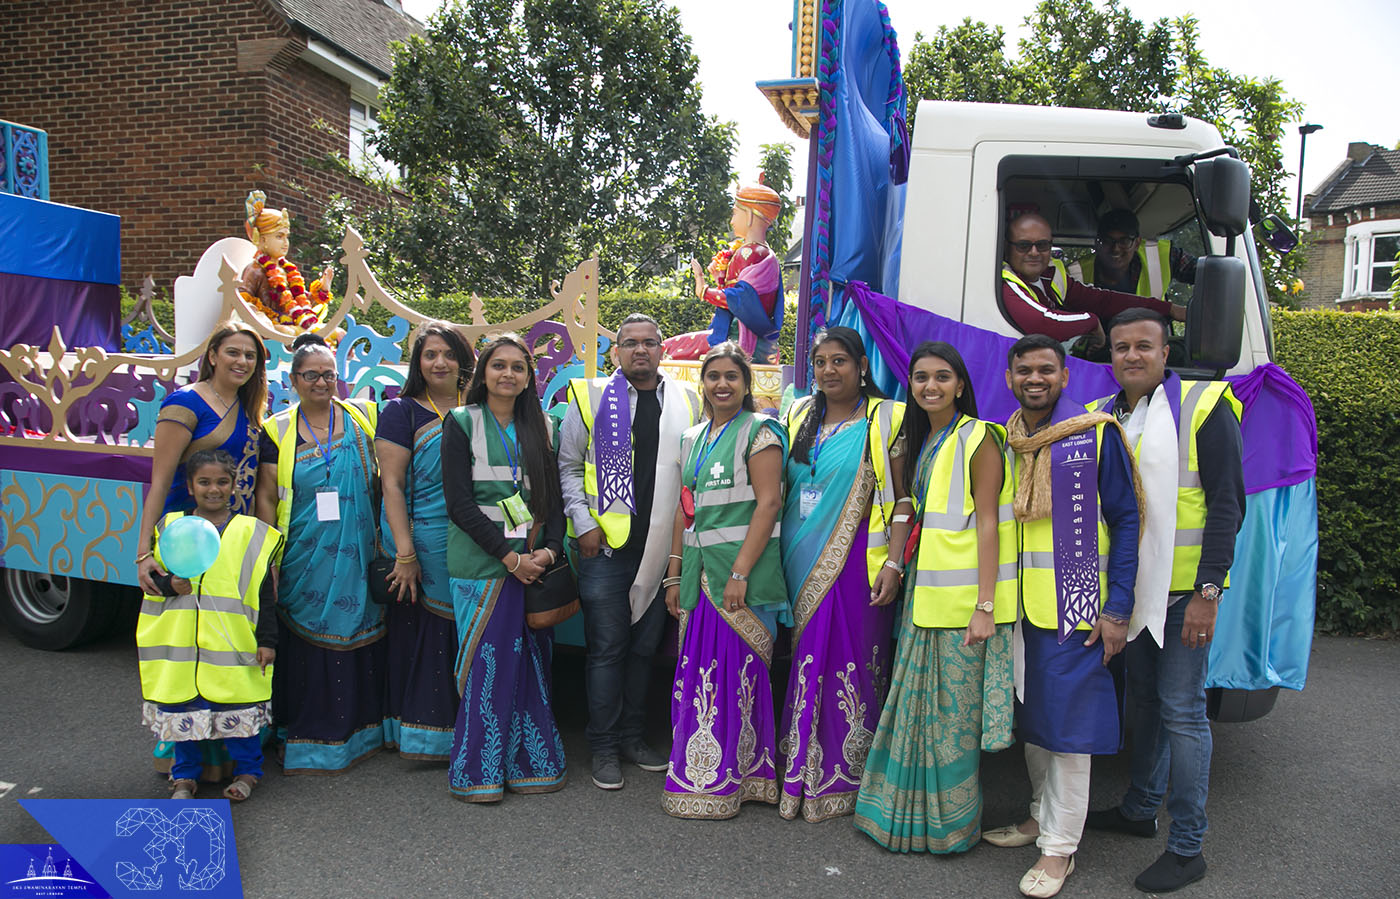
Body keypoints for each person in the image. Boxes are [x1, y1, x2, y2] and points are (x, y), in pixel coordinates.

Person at [1084, 308, 1245, 894]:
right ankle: (1139, 810)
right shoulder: (1101, 417)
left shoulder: (1204, 405)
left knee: (1181, 710)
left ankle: (1187, 847)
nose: (1131, 355)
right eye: (1121, 347)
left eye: (1143, 346)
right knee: (1145, 703)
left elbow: (1227, 504)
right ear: (1111, 356)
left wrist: (1208, 592)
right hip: (1132, 591)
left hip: (1181, 593)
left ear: (1164, 351)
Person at [981, 334, 1142, 899]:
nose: (1035, 378)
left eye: (1046, 370)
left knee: (1069, 735)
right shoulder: (1005, 440)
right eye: (1024, 370)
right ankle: (1037, 818)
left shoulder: (1097, 435)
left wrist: (1118, 607)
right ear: (1009, 378)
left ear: (1065, 376)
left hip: (1077, 612)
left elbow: (1126, 521)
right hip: (1018, 611)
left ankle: (1059, 850)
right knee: (1036, 726)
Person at [854, 341, 1018, 852]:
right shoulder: (923, 440)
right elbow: (910, 510)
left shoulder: (979, 439)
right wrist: (895, 565)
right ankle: (904, 820)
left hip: (963, 606)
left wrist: (985, 606)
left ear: (961, 385)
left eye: (942, 377)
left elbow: (990, 523)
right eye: (921, 377)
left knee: (950, 725)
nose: (931, 386)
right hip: (923, 599)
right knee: (917, 714)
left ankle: (949, 828)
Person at [558, 313, 700, 790]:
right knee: (607, 650)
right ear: (614, 351)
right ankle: (602, 747)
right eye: (630, 343)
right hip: (607, 549)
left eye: (650, 343)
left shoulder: (685, 399)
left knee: (643, 650)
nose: (641, 350)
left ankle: (633, 738)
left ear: (662, 349)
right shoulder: (592, 397)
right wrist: (583, 524)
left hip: (659, 548)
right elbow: (569, 467)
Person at [777, 327, 908, 822]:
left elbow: (901, 502)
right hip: (797, 558)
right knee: (804, 659)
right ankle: (798, 768)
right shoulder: (795, 414)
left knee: (849, 660)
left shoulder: (886, 418)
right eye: (820, 362)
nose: (829, 371)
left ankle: (844, 772)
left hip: (858, 564)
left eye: (839, 361)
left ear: (861, 366)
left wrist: (893, 563)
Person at [661, 342, 789, 819]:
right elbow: (685, 508)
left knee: (737, 676)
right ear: (703, 382)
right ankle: (699, 770)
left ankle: (735, 779)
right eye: (713, 375)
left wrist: (740, 573)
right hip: (698, 578)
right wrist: (673, 574)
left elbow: (769, 503)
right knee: (701, 676)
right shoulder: (692, 437)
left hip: (741, 579)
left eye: (731, 376)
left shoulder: (761, 431)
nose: (721, 384)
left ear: (746, 382)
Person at [136, 320, 268, 781]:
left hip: (231, 539)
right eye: (233, 352)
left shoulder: (249, 406)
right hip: (183, 537)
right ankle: (181, 757)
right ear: (212, 355)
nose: (242, 362)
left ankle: (227, 755)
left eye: (250, 356)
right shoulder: (185, 404)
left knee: (224, 646)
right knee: (184, 647)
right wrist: (144, 553)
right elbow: (159, 480)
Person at [443, 333, 567, 802]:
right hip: (481, 565)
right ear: (482, 373)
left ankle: (533, 763)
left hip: (533, 563)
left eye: (518, 367)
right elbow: (458, 503)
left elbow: (551, 500)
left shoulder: (544, 426)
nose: (508, 374)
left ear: (530, 376)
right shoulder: (461, 423)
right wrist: (508, 557)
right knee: (488, 664)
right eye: (499, 366)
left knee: (529, 660)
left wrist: (550, 552)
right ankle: (480, 771)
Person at [255, 333, 385, 774]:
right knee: (307, 645)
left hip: (358, 555)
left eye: (329, 374)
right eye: (312, 375)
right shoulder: (277, 431)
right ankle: (310, 738)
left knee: (360, 636)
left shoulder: (361, 418)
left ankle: (362, 732)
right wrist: (269, 558)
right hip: (304, 557)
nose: (322, 382)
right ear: (293, 380)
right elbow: (268, 498)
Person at [138, 449, 283, 801]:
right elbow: (151, 582)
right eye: (204, 482)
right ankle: (184, 776)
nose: (213, 489)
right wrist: (170, 584)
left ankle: (248, 772)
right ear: (190, 486)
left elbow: (264, 594)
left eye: (221, 482)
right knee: (184, 717)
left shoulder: (252, 534)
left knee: (239, 713)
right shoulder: (170, 526)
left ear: (234, 486)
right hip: (180, 650)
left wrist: (267, 640)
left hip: (233, 646)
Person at [376, 323, 476, 761]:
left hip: (474, 538)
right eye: (430, 354)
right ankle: (426, 735)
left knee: (470, 632)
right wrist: (405, 552)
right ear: (418, 362)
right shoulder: (401, 412)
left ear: (463, 361)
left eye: (448, 354)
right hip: (423, 539)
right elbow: (392, 485)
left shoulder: (478, 407)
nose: (440, 362)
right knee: (430, 633)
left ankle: (472, 727)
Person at [1001, 212, 1184, 348]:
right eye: (1024, 245)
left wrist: (1169, 309)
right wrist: (1091, 321)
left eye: (1041, 245)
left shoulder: (1050, 275)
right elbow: (1044, 323)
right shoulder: (1007, 282)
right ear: (1007, 248)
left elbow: (1103, 300)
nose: (1034, 253)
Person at [686, 181, 785, 365]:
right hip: (732, 334)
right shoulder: (751, 251)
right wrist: (720, 279)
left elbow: (741, 299)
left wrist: (703, 289)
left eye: (735, 213)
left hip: (740, 340)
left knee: (670, 349)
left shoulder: (753, 252)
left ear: (749, 215)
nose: (731, 221)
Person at [238, 190, 336, 341]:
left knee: (337, 333)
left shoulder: (287, 269)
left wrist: (323, 288)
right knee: (289, 334)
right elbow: (243, 303)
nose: (285, 243)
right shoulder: (255, 270)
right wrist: (261, 318)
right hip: (272, 329)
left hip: (295, 324)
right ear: (261, 239)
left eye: (287, 237)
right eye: (279, 237)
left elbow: (300, 304)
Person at [1071, 209, 1197, 300]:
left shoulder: (1161, 257)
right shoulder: (1075, 274)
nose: (1115, 249)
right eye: (1108, 241)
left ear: (1137, 243)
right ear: (1097, 244)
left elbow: (1206, 272)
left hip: (1151, 336)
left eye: (1124, 241)